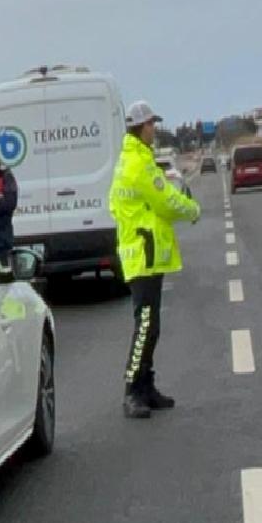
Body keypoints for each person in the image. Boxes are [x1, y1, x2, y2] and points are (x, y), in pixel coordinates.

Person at [111, 100, 201, 419]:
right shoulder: (138, 164)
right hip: (142, 254)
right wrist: (192, 209)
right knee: (146, 324)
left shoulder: (135, 158)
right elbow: (164, 200)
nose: (154, 129)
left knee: (152, 325)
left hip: (144, 253)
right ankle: (132, 390)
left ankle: (146, 386)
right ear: (141, 127)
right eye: (151, 124)